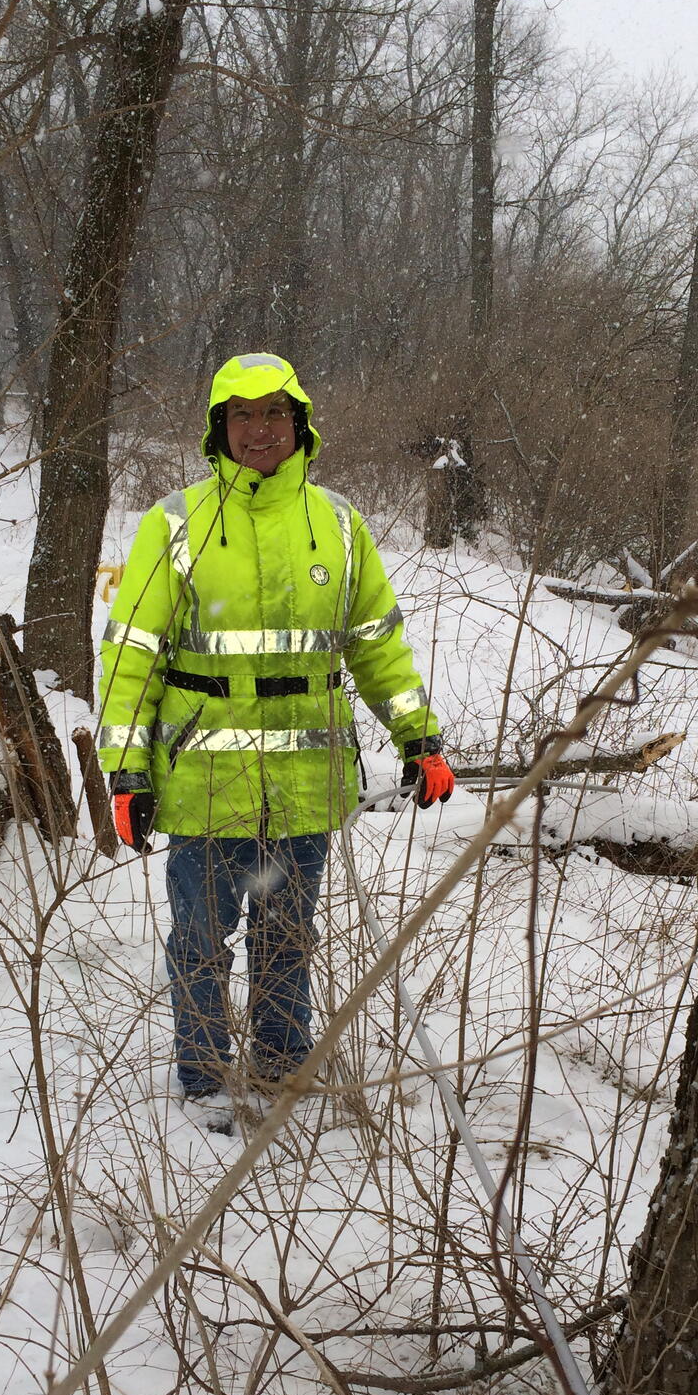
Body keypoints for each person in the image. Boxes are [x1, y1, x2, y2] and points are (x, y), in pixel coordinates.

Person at [96, 352, 454, 1134]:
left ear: (300, 424)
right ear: (219, 430)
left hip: (303, 784)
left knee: (288, 938)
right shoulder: (175, 524)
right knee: (199, 941)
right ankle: (204, 1078)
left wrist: (419, 735)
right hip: (203, 782)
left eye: (274, 414)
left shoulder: (338, 523)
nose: (260, 430)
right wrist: (124, 773)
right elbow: (129, 657)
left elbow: (378, 645)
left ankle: (283, 1065)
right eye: (243, 415)